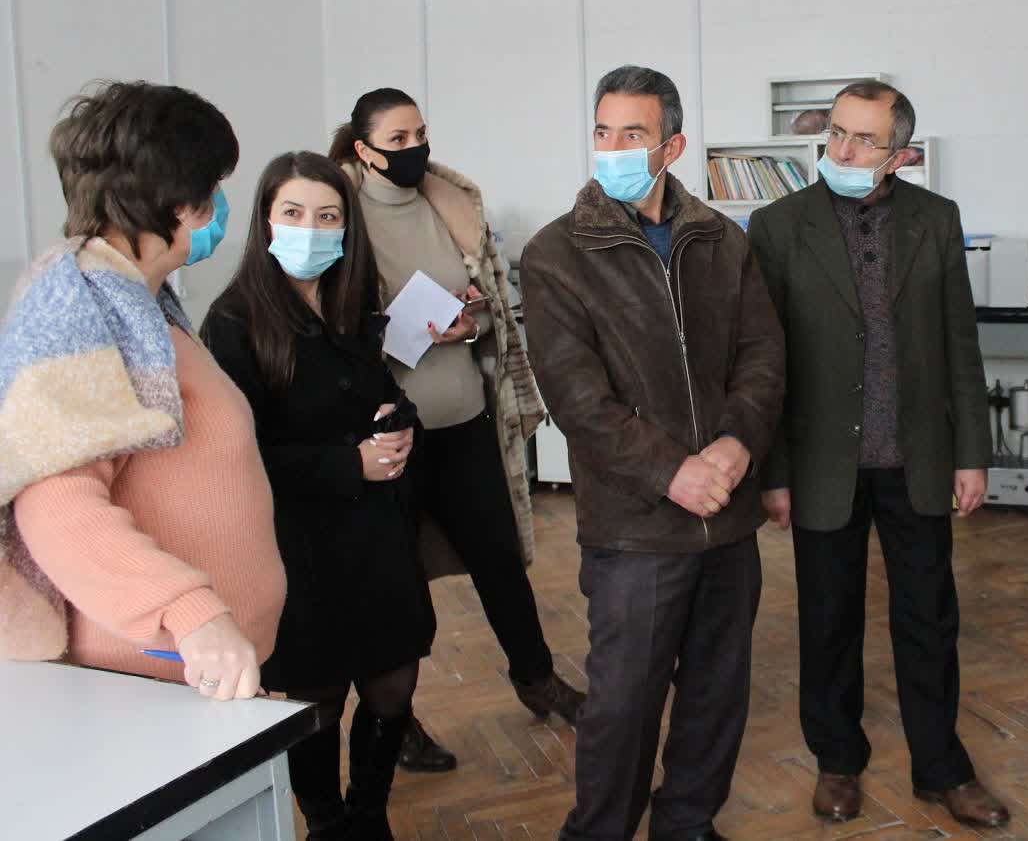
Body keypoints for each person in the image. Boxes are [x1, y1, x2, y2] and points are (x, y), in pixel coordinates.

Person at [521, 65, 785, 841]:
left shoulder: (720, 240)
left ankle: (687, 824)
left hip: (726, 522)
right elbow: (577, 400)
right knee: (622, 708)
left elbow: (763, 354)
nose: (612, 148)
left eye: (631, 134)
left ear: (671, 144)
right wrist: (674, 471)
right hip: (636, 526)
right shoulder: (557, 254)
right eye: (602, 131)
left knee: (715, 696)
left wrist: (737, 443)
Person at [746, 80, 1009, 829]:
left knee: (929, 618)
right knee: (828, 620)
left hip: (916, 456)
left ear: (900, 154)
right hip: (820, 461)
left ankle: (941, 767)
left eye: (864, 139)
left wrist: (972, 453)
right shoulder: (776, 225)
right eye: (836, 133)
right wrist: (773, 471)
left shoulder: (936, 220)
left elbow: (962, 344)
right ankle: (836, 759)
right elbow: (763, 363)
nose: (843, 150)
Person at [0, 80, 284, 702]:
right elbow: (54, 505)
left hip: (199, 675)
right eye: (212, 190)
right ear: (174, 200)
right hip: (145, 677)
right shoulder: (75, 303)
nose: (216, 206)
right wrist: (194, 616)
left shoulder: (143, 302)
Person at [332, 88, 574, 772]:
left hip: (464, 418)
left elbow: (490, 301)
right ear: (363, 149)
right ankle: (395, 717)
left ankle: (538, 679)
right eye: (397, 138)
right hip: (393, 440)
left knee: (501, 561)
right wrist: (395, 334)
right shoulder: (341, 218)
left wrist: (474, 321)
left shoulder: (450, 204)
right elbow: (336, 332)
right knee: (397, 589)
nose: (415, 149)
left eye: (420, 134)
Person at [202, 152, 435, 841]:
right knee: (319, 697)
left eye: (328, 215)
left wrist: (402, 429)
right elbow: (238, 457)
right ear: (266, 221)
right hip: (298, 543)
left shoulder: (355, 299)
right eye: (294, 213)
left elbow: (386, 395)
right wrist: (346, 465)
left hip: (378, 532)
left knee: (393, 682)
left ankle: (369, 811)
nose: (313, 229)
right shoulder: (234, 319)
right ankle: (327, 821)